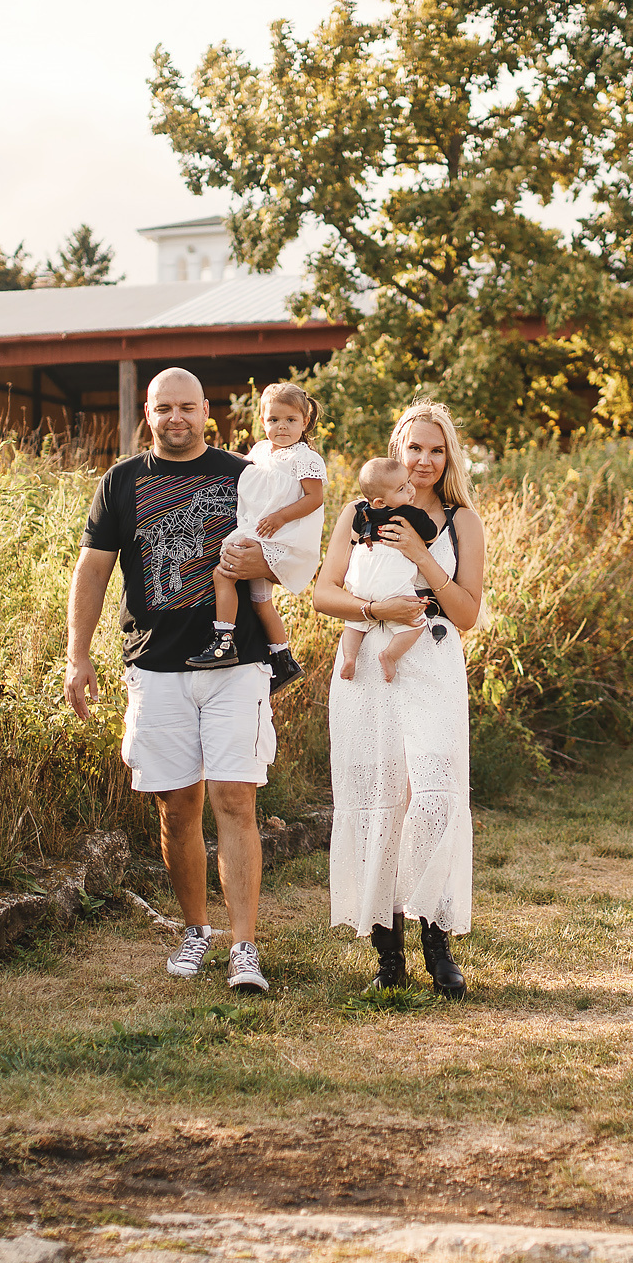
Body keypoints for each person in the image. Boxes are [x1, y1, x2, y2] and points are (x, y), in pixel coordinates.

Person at [65, 367, 271, 993]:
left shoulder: (246, 477)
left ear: (208, 410)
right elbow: (94, 571)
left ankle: (244, 948)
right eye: (164, 408)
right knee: (177, 807)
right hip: (154, 666)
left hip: (237, 663)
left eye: (187, 407)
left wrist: (256, 558)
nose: (176, 418)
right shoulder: (121, 483)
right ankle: (195, 930)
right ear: (148, 413)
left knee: (234, 800)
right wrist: (78, 655)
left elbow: (286, 561)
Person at [307, 400, 486, 999]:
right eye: (415, 449)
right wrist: (373, 610)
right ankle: (388, 956)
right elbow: (323, 594)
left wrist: (421, 556)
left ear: (449, 455)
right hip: (368, 669)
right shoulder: (358, 514)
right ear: (397, 451)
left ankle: (437, 943)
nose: (425, 461)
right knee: (380, 796)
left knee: (432, 794)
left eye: (437, 450)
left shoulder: (462, 522)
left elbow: (466, 613)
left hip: (431, 661)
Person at [188, 383, 327, 688]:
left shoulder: (305, 458)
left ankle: (224, 640)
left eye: (290, 420)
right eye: (273, 419)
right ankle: (283, 658)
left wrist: (281, 516)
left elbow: (313, 498)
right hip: (261, 529)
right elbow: (244, 465)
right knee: (260, 602)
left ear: (304, 423)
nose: (281, 427)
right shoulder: (262, 450)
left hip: (280, 534)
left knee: (223, 573)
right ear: (262, 422)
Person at [336, 456, 442, 683]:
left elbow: (354, 538)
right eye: (402, 488)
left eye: (408, 484)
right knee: (415, 624)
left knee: (354, 623)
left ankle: (350, 657)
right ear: (380, 502)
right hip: (390, 579)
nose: (410, 491)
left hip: (359, 578)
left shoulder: (361, 512)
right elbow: (431, 534)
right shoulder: (409, 512)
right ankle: (389, 656)